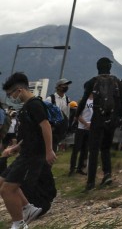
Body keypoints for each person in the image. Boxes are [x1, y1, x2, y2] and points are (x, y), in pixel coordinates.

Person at [1, 73, 54, 228]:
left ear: (19, 90)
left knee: (7, 190)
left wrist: (49, 150)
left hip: (32, 156)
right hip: (25, 153)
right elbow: (31, 133)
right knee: (2, 183)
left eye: (11, 94)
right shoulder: (26, 107)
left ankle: (19, 224)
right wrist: (16, 147)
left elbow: (45, 126)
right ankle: (28, 209)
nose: (11, 97)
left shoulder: (34, 105)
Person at [80, 57, 122, 191]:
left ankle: (90, 183)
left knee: (93, 150)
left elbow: (83, 101)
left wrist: (76, 116)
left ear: (98, 67)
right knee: (105, 148)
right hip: (112, 121)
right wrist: (121, 119)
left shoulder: (92, 82)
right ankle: (107, 174)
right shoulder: (117, 82)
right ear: (109, 68)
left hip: (97, 119)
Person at [47, 79, 72, 152]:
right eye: (64, 85)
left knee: (55, 145)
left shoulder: (67, 99)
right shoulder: (50, 99)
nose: (66, 86)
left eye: (67, 85)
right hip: (52, 126)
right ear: (58, 87)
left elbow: (67, 113)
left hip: (61, 127)